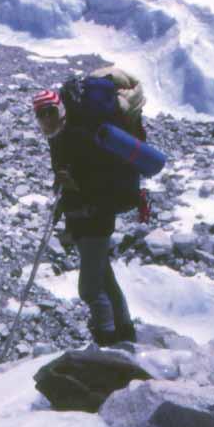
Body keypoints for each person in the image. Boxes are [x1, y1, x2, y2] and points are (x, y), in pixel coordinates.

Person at [32, 85, 139, 346]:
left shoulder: (77, 136)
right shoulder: (58, 137)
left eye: (49, 111)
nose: (46, 118)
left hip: (95, 218)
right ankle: (125, 332)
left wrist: (75, 184)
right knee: (105, 278)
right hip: (83, 218)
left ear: (60, 108)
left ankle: (106, 337)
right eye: (40, 114)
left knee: (89, 289)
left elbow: (101, 178)